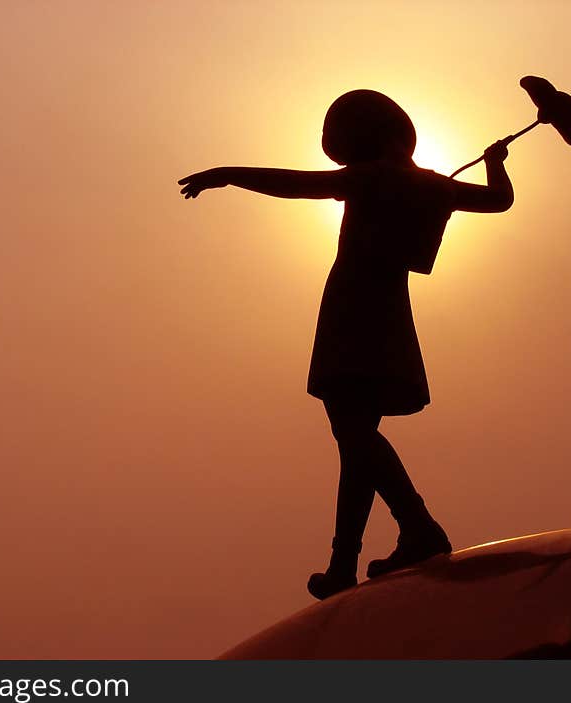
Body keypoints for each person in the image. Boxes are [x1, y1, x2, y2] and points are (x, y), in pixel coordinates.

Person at [178, 90, 514, 600]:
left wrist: (228, 173)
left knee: (353, 433)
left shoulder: (371, 176)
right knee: (354, 439)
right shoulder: (431, 186)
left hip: (354, 307)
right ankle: (345, 562)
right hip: (390, 311)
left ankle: (417, 527)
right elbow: (498, 200)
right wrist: (495, 166)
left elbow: (297, 185)